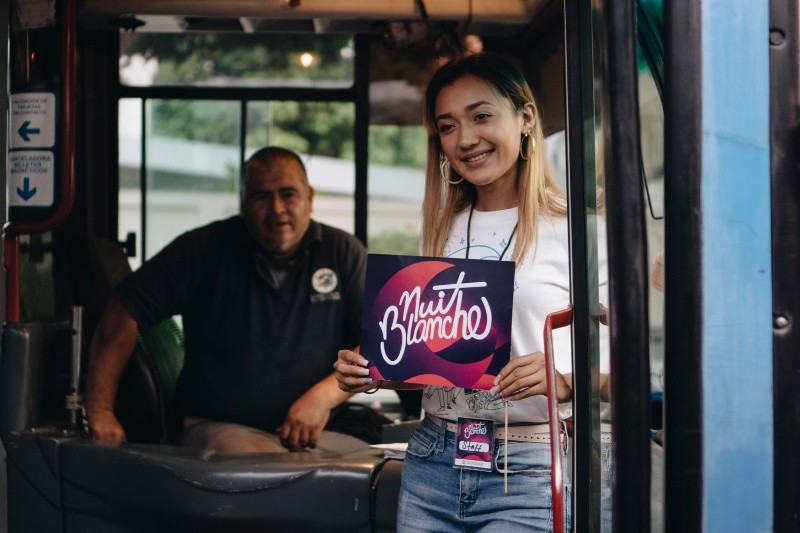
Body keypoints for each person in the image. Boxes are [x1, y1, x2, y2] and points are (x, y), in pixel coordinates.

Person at [334, 52, 609, 531]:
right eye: (446, 126)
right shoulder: (439, 231)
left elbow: (646, 370)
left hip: (533, 468)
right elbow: (436, 369)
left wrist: (568, 380)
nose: (465, 139)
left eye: (481, 116)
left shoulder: (583, 232)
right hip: (432, 460)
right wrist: (373, 371)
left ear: (525, 118)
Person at [85, 146, 373, 454]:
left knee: (384, 473)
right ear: (244, 202)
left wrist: (321, 398)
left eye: (288, 194)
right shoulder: (203, 249)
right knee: (275, 475)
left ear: (309, 198)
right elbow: (124, 308)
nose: (276, 208)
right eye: (261, 196)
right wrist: (100, 410)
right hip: (219, 428)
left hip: (321, 427)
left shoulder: (344, 252)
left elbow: (374, 343)